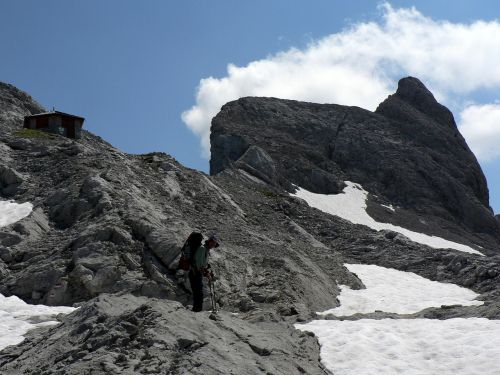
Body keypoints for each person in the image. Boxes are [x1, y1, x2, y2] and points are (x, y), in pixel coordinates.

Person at [189, 234, 220, 312]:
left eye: (214, 244)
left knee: (198, 293)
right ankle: (196, 311)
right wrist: (207, 274)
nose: (213, 245)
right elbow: (199, 264)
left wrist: (207, 271)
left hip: (197, 273)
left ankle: (197, 310)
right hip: (194, 273)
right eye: (212, 243)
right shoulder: (202, 249)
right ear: (209, 241)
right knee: (198, 293)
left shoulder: (206, 250)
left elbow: (203, 264)